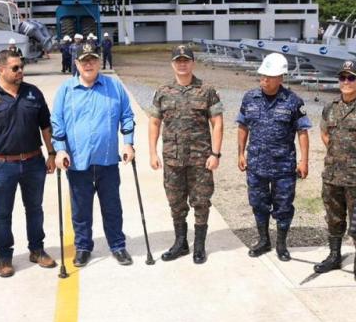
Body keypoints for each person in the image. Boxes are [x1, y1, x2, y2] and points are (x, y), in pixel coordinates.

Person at [0, 49, 58, 277]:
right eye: (15, 68)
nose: (20, 72)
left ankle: (37, 250)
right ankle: (5, 258)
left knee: (35, 209)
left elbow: (45, 126)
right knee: (3, 213)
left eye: (21, 67)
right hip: (3, 166)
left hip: (33, 163)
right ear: (0, 69)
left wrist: (51, 153)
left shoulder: (33, 93)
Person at [51, 43, 135, 267]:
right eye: (83, 60)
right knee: (80, 209)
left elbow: (127, 116)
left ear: (99, 62)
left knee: (112, 207)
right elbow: (57, 122)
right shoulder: (66, 90)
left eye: (92, 59)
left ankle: (118, 245)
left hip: (107, 161)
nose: (88, 64)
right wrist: (59, 149)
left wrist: (128, 144)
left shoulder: (114, 87)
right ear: (76, 63)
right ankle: (83, 247)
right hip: (78, 162)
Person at [147, 45, 223, 265]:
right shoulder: (162, 91)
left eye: (186, 60)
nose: (182, 64)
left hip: (201, 160)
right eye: (178, 60)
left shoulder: (207, 91)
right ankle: (181, 243)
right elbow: (154, 122)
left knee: (201, 202)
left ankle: (199, 246)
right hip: (172, 159)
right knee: (176, 202)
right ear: (172, 63)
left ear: (192, 63)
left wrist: (216, 153)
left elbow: (217, 123)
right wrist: (152, 153)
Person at [314, 60, 356, 284]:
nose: (346, 82)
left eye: (351, 78)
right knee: (333, 217)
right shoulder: (330, 106)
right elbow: (325, 133)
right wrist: (337, 154)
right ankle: (334, 256)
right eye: (342, 77)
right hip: (332, 174)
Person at [237, 53, 310, 261]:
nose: (265, 80)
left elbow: (302, 132)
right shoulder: (249, 97)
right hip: (256, 163)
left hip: (283, 166)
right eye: (263, 75)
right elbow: (242, 126)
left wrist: (304, 161)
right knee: (258, 203)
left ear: (281, 78)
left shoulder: (294, 101)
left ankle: (281, 244)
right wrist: (240, 153)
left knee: (284, 206)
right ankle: (263, 240)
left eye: (270, 76)